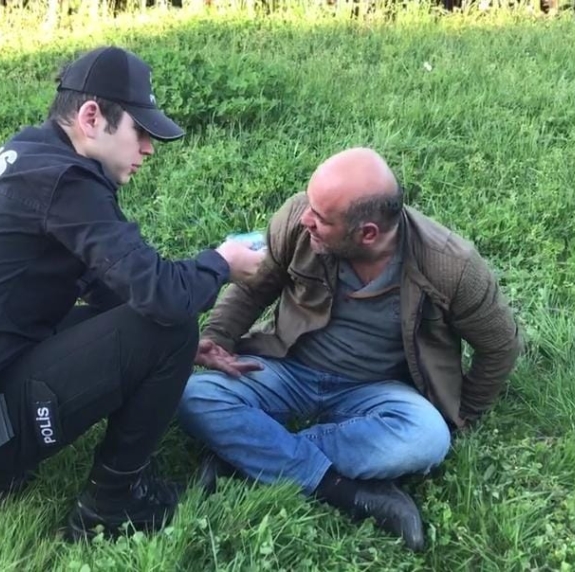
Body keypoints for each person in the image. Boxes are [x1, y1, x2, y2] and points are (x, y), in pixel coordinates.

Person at [0, 46, 266, 541]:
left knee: (163, 329)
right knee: (171, 324)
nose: (148, 149)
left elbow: (114, 285)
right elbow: (162, 295)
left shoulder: (31, 158)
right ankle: (114, 502)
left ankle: (19, 455)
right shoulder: (66, 181)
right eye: (140, 132)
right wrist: (222, 263)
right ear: (91, 117)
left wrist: (176, 351)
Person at [177, 147, 523, 552]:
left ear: (367, 234)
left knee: (428, 438)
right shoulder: (299, 221)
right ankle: (344, 490)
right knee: (192, 394)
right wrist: (218, 339)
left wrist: (462, 416)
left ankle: (246, 454)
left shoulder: (452, 266)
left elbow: (501, 346)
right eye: (310, 206)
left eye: (322, 218)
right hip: (289, 367)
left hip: (377, 390)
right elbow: (252, 289)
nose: (306, 218)